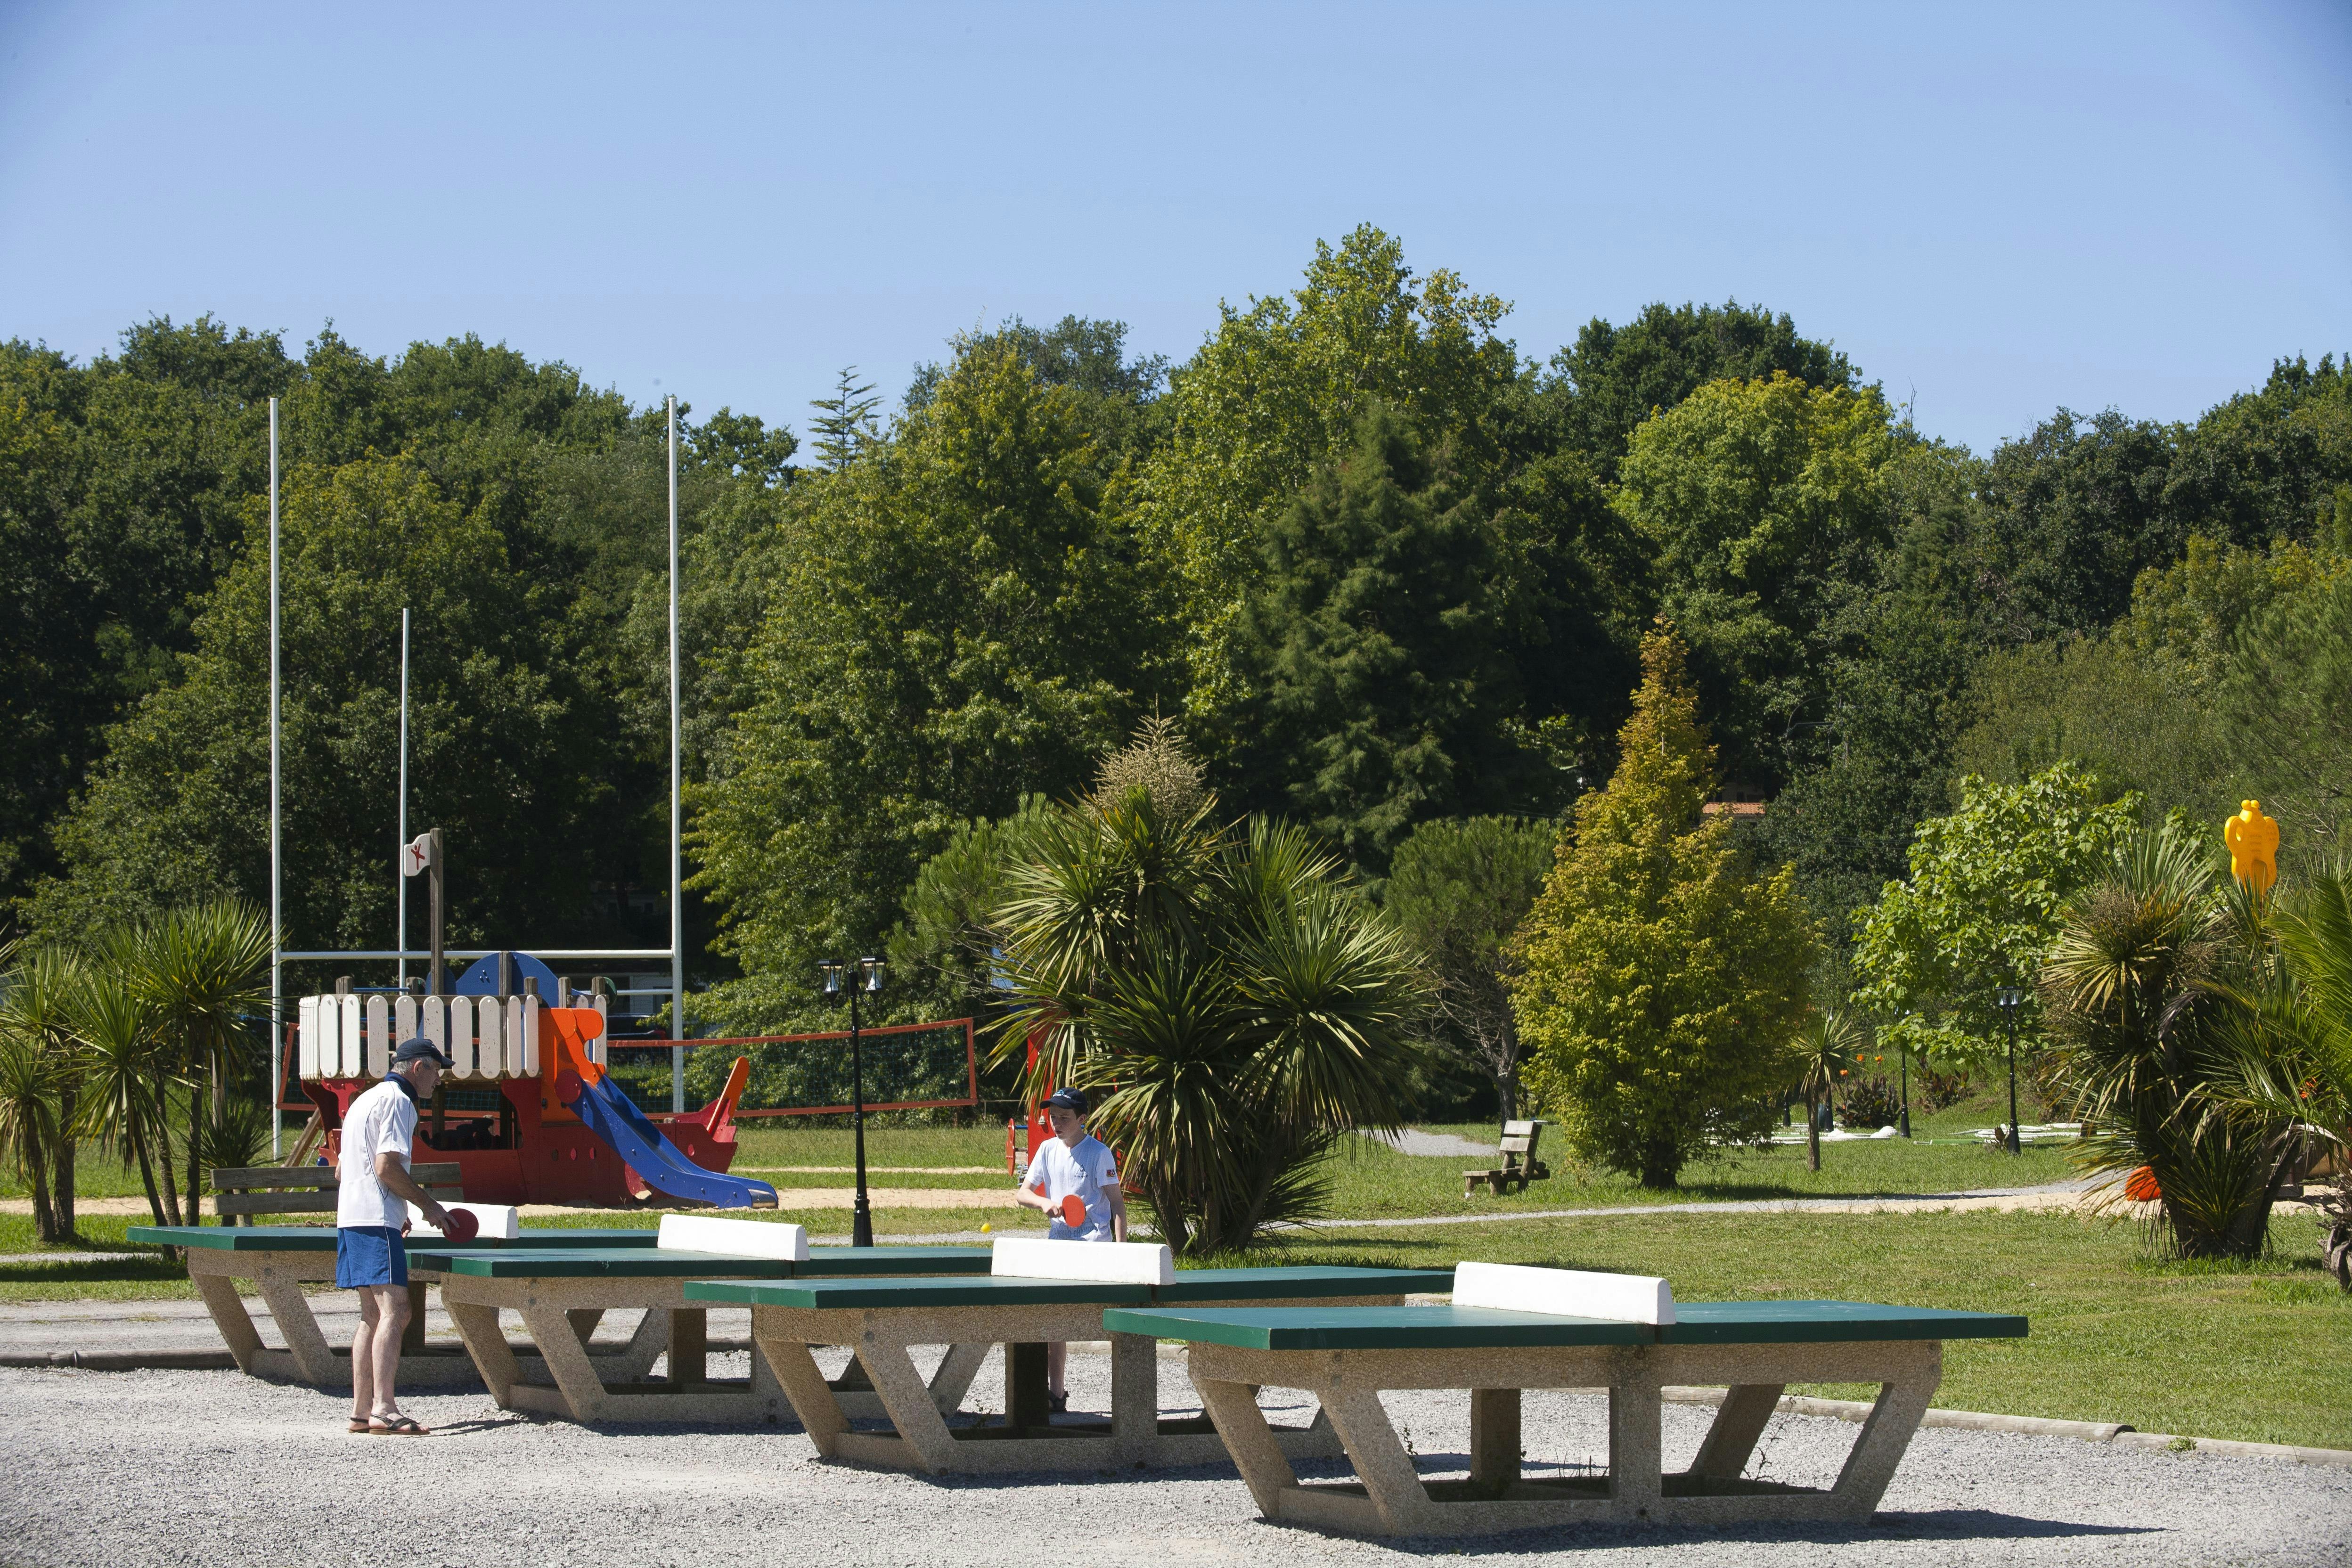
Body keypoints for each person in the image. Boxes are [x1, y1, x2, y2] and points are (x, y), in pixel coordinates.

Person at [336, 1034, 454, 1435]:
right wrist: (428, 1206)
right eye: (436, 1071)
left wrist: (396, 1207)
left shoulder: (363, 1101)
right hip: (373, 1220)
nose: (438, 1080)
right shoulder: (400, 1102)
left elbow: (343, 1170)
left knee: (372, 1315)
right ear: (418, 1068)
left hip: (352, 1217)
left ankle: (361, 1410)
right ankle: (385, 1409)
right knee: (397, 1311)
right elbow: (386, 1167)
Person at [1012, 1086, 1127, 1413]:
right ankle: (1056, 1394)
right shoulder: (1047, 1150)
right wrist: (1044, 1202)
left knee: (1107, 1322)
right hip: (1058, 1245)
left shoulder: (1099, 1154)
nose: (1056, 1123)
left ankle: (1126, 1400)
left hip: (1094, 1245)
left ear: (1082, 1119)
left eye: (1064, 1117)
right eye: (1052, 1117)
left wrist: (1122, 1253)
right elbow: (1022, 1194)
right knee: (1052, 1321)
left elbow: (1117, 1204)